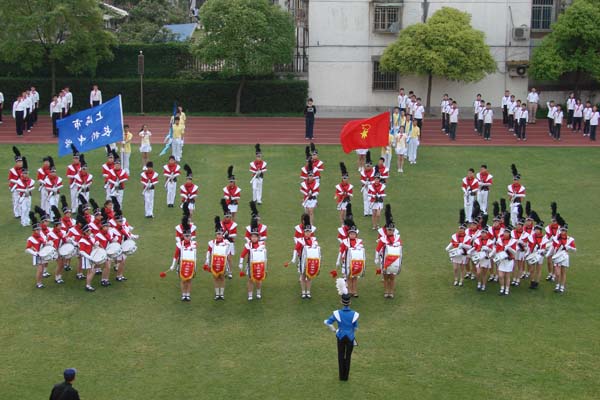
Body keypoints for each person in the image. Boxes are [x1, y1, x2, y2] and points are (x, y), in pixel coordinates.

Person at [324, 279, 359, 381]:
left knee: (340, 356)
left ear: (341, 302)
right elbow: (355, 327)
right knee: (348, 357)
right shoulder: (355, 314)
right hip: (350, 337)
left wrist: (334, 330)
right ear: (350, 302)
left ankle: (341, 376)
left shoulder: (337, 313)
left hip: (340, 336)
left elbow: (327, 322)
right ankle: (346, 377)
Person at [288, 215, 320, 299]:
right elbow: (296, 249)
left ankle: (308, 292)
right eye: (306, 232)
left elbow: (317, 250)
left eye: (309, 232)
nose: (308, 233)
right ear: (304, 232)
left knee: (309, 277)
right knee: (302, 276)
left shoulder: (314, 240)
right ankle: (303, 292)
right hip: (302, 261)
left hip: (310, 261)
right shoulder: (301, 240)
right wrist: (294, 258)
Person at [374, 205, 403, 298]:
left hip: (394, 260)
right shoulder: (383, 239)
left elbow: (400, 249)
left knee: (392, 277)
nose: (390, 231)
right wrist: (376, 258)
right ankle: (386, 291)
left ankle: (391, 292)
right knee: (386, 277)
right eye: (388, 230)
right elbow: (377, 249)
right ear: (386, 230)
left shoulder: (397, 238)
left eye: (391, 230)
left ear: (394, 231)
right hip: (385, 260)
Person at [239, 218, 267, 300]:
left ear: (258, 237)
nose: (254, 238)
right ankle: (250, 294)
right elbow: (243, 254)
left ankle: (258, 293)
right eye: (252, 236)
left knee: (258, 279)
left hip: (259, 264)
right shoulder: (248, 245)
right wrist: (240, 263)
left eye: (255, 237)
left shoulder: (262, 244)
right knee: (250, 279)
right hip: (250, 264)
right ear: (250, 237)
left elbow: (263, 253)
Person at [169, 216, 197, 301]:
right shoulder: (179, 244)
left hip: (190, 264)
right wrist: (173, 265)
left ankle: (187, 295)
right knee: (183, 279)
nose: (187, 237)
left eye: (189, 235)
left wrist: (195, 267)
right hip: (181, 263)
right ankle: (183, 295)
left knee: (189, 280)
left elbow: (194, 256)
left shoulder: (194, 244)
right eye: (186, 235)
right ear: (183, 236)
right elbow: (176, 255)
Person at [335, 218, 365, 297]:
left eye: (354, 234)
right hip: (347, 262)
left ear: (356, 234)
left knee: (355, 277)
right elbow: (341, 252)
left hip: (355, 262)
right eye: (351, 234)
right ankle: (349, 291)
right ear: (348, 234)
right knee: (348, 277)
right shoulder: (345, 242)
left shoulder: (359, 242)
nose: (352, 235)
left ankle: (354, 291)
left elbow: (362, 252)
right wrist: (338, 261)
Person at [204, 217, 231, 300]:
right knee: (215, 278)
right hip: (214, 263)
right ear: (216, 234)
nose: (219, 235)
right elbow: (208, 252)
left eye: (220, 233)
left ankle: (221, 294)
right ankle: (217, 294)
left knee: (222, 278)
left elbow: (228, 251)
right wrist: (207, 261)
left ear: (222, 234)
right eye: (218, 234)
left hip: (223, 263)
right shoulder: (212, 242)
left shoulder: (226, 242)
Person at [490, 214, 517, 296]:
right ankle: (502, 288)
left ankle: (507, 290)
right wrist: (492, 254)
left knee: (507, 276)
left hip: (509, 260)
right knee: (501, 275)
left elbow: (515, 253)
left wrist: (508, 248)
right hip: (501, 260)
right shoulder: (500, 240)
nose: (505, 234)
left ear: (509, 234)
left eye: (507, 233)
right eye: (505, 232)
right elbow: (496, 249)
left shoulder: (513, 241)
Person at [551, 216, 576, 294]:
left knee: (563, 272)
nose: (562, 232)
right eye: (561, 230)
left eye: (564, 230)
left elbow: (575, 249)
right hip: (557, 256)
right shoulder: (556, 238)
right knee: (557, 273)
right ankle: (557, 285)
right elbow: (553, 248)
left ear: (566, 231)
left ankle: (562, 287)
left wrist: (569, 247)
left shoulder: (570, 239)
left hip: (565, 257)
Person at [445, 210, 470, 287]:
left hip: (463, 254)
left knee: (462, 268)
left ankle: (461, 280)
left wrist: (462, 245)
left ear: (464, 229)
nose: (460, 229)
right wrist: (448, 247)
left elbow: (469, 247)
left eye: (462, 228)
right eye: (460, 228)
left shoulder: (468, 237)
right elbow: (452, 242)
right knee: (455, 268)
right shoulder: (454, 235)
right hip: (455, 254)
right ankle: (456, 279)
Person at [472, 215, 494, 291]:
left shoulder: (490, 241)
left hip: (486, 258)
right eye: (482, 233)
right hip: (479, 257)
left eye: (484, 233)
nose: (483, 234)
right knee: (478, 272)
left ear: (487, 233)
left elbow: (492, 250)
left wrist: (488, 249)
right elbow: (475, 248)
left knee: (484, 273)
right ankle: (479, 283)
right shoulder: (477, 240)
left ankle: (483, 285)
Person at [220, 199, 238, 279]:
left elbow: (234, 235)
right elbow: (218, 233)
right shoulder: (220, 223)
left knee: (229, 258)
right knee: (222, 257)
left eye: (229, 217)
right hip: (222, 243)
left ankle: (230, 272)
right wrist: (223, 235)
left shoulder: (233, 224)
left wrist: (228, 234)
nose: (228, 218)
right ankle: (223, 271)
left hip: (230, 243)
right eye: (226, 217)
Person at [9, 147, 24, 220]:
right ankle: (16, 213)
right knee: (16, 200)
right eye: (19, 162)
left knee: (21, 200)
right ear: (16, 162)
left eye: (21, 162)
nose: (20, 163)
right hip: (15, 187)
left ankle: (21, 212)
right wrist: (17, 181)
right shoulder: (12, 170)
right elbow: (10, 179)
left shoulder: (23, 170)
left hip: (21, 187)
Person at [359, 151, 375, 217]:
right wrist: (365, 183)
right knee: (365, 199)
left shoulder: (374, 172)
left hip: (371, 188)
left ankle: (371, 212)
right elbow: (361, 180)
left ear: (371, 165)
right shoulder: (363, 172)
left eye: (369, 165)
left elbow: (375, 180)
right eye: (366, 165)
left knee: (370, 199)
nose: (367, 166)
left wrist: (369, 183)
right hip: (365, 187)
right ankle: (366, 212)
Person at [66, 146, 82, 212]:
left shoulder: (81, 166)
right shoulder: (70, 167)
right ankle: (73, 208)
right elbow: (67, 175)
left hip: (80, 183)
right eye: (75, 158)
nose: (76, 160)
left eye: (77, 158)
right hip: (73, 183)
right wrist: (74, 176)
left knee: (80, 196)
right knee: (73, 196)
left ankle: (80, 207)